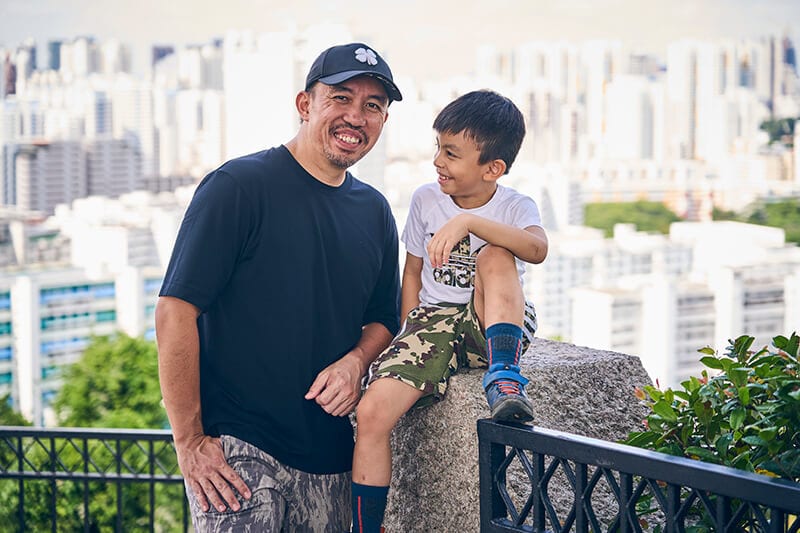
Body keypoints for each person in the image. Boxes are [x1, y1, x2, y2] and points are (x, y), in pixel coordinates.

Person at [155, 42, 403, 532]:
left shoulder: (376, 212)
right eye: (341, 98)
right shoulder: (238, 186)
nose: (356, 116)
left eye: (373, 106)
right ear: (305, 104)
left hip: (334, 462)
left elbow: (383, 320)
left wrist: (357, 361)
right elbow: (174, 311)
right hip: (239, 456)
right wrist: (189, 441)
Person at [349, 90, 548, 532]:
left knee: (495, 254)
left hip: (492, 320)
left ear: (492, 168)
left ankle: (504, 379)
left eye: (452, 154)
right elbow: (412, 272)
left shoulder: (515, 206)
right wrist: (407, 332)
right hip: (433, 322)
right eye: (438, 147)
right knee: (372, 413)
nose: (438, 161)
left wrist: (470, 222)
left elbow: (537, 249)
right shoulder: (426, 200)